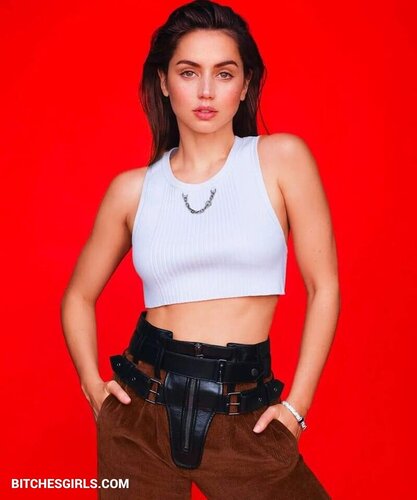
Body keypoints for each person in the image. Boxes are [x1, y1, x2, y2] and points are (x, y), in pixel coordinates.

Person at [61, 1, 340, 498]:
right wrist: (94, 390)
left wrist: (296, 408)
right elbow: (78, 297)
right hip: (140, 415)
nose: (206, 90)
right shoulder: (133, 190)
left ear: (245, 84)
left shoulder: (281, 159)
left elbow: (325, 288)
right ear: (165, 82)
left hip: (243, 413)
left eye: (224, 73)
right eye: (189, 72)